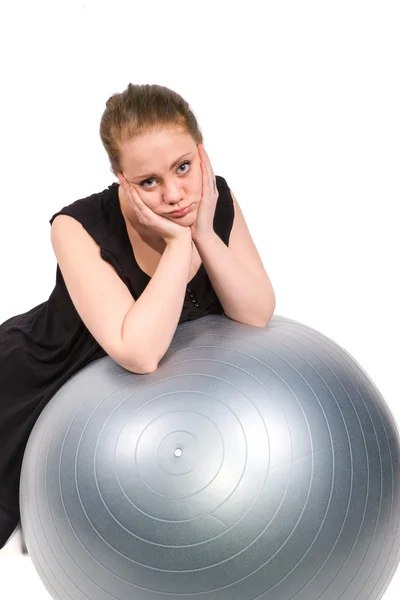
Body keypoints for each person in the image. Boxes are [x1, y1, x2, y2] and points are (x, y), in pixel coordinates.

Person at [0, 83, 276, 550]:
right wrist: (177, 244)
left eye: (184, 168)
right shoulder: (75, 226)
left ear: (202, 154)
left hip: (137, 421)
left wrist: (204, 234)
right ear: (121, 178)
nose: (173, 194)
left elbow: (255, 312)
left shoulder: (213, 200)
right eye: (148, 181)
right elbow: (139, 353)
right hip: (34, 387)